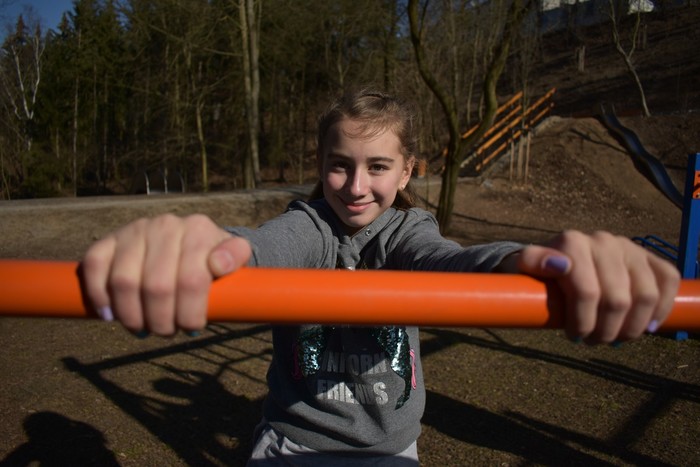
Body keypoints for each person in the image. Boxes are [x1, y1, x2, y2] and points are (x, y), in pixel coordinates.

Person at [80, 88, 680, 465]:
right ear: (321, 164)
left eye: (378, 166)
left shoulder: (406, 232)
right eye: (339, 166)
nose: (356, 186)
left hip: (388, 452)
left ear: (408, 170)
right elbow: (265, 246)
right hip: (294, 444)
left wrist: (525, 258)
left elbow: (448, 260)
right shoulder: (310, 225)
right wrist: (213, 246)